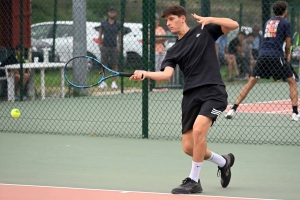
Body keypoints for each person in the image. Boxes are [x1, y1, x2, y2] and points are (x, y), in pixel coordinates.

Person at [130, 5, 238, 194]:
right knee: (189, 147)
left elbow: (234, 24)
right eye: (166, 21)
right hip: (190, 96)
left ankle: (194, 181)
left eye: (172, 19)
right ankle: (223, 161)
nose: (169, 23)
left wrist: (210, 19)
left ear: (183, 18)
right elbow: (166, 75)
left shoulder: (204, 30)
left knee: (198, 132)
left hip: (213, 92)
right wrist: (145, 73)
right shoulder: (173, 50)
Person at [225, 1, 300, 121]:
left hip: (263, 56)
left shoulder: (268, 22)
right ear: (285, 11)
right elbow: (288, 42)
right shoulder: (286, 23)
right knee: (292, 81)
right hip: (276, 56)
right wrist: (288, 54)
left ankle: (232, 109)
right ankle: (295, 113)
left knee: (250, 83)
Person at [98, 6, 121, 89]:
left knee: (115, 64)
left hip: (114, 46)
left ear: (115, 13)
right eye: (111, 12)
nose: (112, 13)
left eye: (114, 12)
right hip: (105, 46)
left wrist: (119, 46)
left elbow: (120, 35)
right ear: (108, 13)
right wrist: (100, 45)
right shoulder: (103, 23)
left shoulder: (118, 24)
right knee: (104, 64)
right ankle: (103, 81)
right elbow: (100, 34)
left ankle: (114, 82)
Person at [154, 13, 168, 88]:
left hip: (161, 50)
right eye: (154, 20)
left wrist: (158, 40)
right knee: (154, 67)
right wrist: (160, 39)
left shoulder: (160, 29)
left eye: (157, 20)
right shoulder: (150, 29)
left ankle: (159, 85)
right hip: (154, 51)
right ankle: (153, 85)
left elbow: (165, 37)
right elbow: (151, 39)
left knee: (161, 67)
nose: (156, 21)